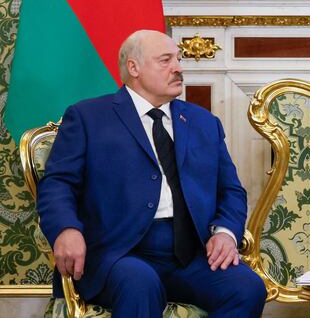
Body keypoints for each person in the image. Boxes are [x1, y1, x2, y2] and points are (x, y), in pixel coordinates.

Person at [37, 30, 266, 317]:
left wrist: (226, 233)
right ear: (134, 68)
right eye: (165, 60)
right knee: (140, 284)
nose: (178, 68)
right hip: (119, 253)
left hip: (191, 254)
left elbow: (230, 190)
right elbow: (58, 183)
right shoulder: (88, 117)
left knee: (247, 288)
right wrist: (66, 229)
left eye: (179, 59)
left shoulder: (203, 122)